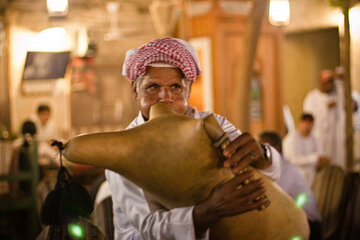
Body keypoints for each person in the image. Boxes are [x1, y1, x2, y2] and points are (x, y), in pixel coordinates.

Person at [105, 37, 282, 239]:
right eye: (153, 87)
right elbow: (149, 229)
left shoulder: (213, 124)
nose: (165, 97)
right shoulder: (122, 150)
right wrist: (209, 210)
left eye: (175, 87)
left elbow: (273, 173)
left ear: (188, 90)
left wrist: (262, 154)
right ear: (135, 90)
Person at [259, 131, 322, 240]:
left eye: (261, 147)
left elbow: (271, 200)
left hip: (308, 224)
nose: (257, 152)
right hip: (294, 220)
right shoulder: (274, 168)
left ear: (276, 149)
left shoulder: (285, 169)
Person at [303, 69, 345, 169]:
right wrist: (325, 108)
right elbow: (310, 118)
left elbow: (343, 75)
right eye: (326, 83)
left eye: (331, 82)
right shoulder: (312, 97)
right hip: (320, 140)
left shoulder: (337, 95)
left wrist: (333, 75)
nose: (329, 86)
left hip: (335, 140)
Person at [282, 113, 330, 186]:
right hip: (296, 177)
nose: (307, 125)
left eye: (310, 122)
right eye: (305, 122)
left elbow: (320, 155)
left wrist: (321, 160)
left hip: (313, 176)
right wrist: (315, 158)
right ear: (300, 123)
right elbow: (294, 160)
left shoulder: (315, 138)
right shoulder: (291, 139)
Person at [32, 104, 59, 168]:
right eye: (43, 114)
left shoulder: (52, 124)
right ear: (38, 114)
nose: (46, 117)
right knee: (43, 146)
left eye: (48, 114)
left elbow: (54, 140)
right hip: (36, 151)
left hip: (48, 150)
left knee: (58, 155)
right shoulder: (33, 123)